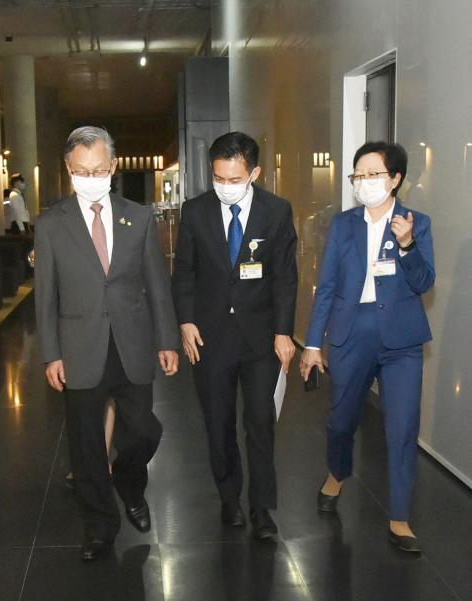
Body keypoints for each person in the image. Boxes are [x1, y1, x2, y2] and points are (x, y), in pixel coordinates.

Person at [35, 126, 180, 561]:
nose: (91, 178)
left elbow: (157, 284)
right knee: (86, 446)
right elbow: (45, 295)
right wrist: (51, 354)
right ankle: (99, 527)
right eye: (81, 171)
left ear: (113, 166)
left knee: (143, 430)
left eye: (99, 170)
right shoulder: (52, 223)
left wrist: (167, 339)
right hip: (78, 347)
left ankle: (130, 483)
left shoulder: (138, 217)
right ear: (68, 169)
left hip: (131, 342)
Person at [299, 142, 434, 553]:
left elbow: (424, 282)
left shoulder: (417, 223)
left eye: (373, 174)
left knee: (403, 427)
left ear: (395, 179)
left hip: (402, 342)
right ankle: (337, 473)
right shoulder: (344, 225)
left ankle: (400, 518)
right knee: (341, 421)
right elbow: (328, 287)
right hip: (351, 334)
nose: (364, 181)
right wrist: (312, 343)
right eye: (359, 174)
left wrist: (408, 246)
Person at [172, 131, 298, 541]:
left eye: (234, 179)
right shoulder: (195, 212)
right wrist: (186, 321)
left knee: (260, 422)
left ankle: (262, 508)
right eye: (218, 178)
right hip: (210, 335)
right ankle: (230, 498)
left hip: (260, 336)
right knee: (218, 421)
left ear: (254, 173)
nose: (225, 186)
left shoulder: (276, 211)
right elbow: (184, 271)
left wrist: (284, 332)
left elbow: (285, 277)